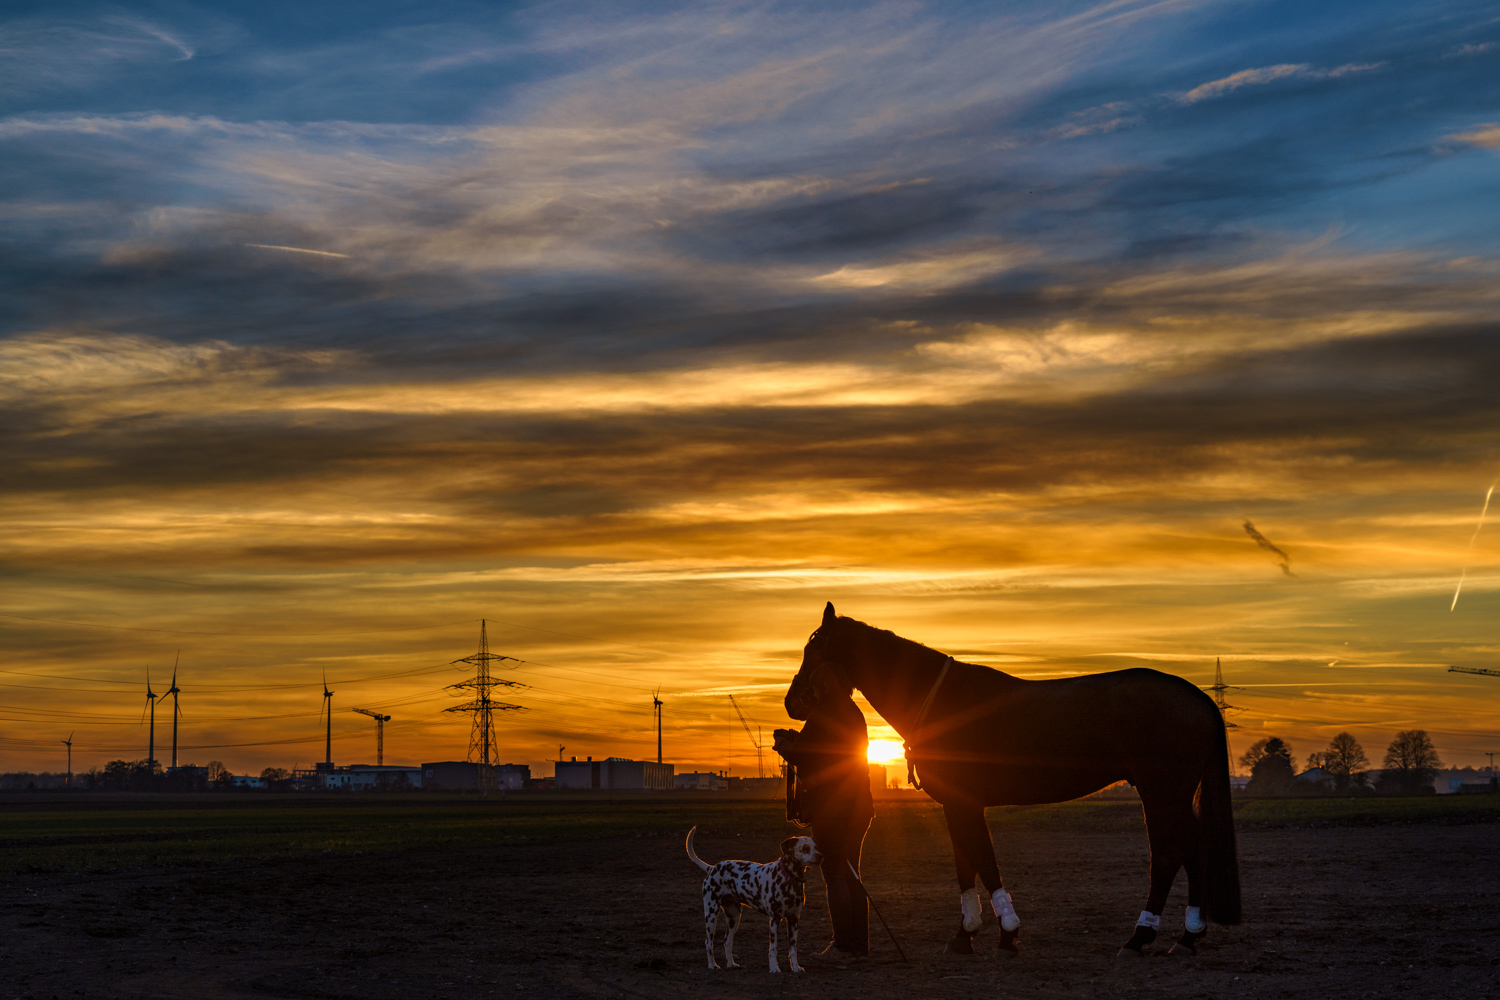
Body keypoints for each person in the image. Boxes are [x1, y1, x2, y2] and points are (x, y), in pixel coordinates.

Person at [774, 694, 874, 959]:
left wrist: (783, 744)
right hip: (860, 805)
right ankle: (859, 946)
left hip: (832, 809)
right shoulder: (853, 712)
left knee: (834, 873)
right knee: (852, 872)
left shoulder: (821, 715)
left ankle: (843, 945)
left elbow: (804, 755)